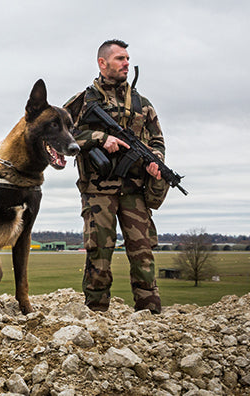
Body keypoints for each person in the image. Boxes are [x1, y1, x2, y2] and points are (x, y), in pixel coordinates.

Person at [63, 39, 166, 314]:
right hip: (98, 190)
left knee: (143, 253)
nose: (126, 64)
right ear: (102, 63)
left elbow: (157, 140)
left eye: (128, 59)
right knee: (99, 254)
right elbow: (59, 134)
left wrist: (156, 163)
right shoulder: (83, 101)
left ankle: (150, 313)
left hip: (134, 190)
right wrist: (99, 138)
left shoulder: (142, 104)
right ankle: (96, 314)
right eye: (120, 58)